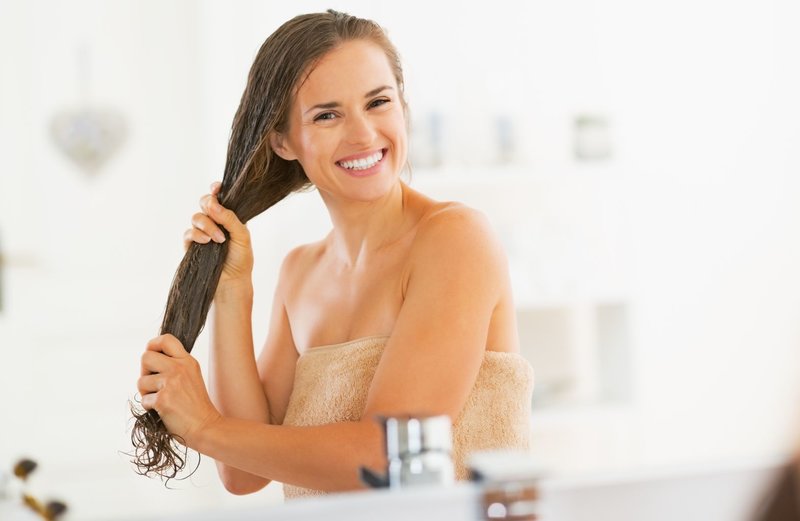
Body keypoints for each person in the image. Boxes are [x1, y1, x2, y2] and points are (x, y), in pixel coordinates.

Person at [136, 10, 533, 499]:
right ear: (282, 140)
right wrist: (232, 290)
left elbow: (388, 459)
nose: (363, 133)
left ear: (403, 107)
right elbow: (243, 473)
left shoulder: (454, 240)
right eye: (327, 114)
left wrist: (203, 427)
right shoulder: (300, 272)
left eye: (378, 102)